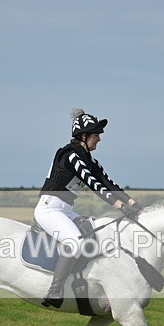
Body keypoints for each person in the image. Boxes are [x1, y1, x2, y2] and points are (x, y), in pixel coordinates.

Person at [35, 108, 142, 308]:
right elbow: (93, 183)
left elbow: (108, 182)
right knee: (75, 243)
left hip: (65, 210)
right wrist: (118, 206)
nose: (99, 139)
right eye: (96, 135)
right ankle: (54, 290)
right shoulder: (71, 155)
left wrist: (132, 203)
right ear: (83, 136)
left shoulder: (89, 160)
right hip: (49, 209)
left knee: (95, 233)